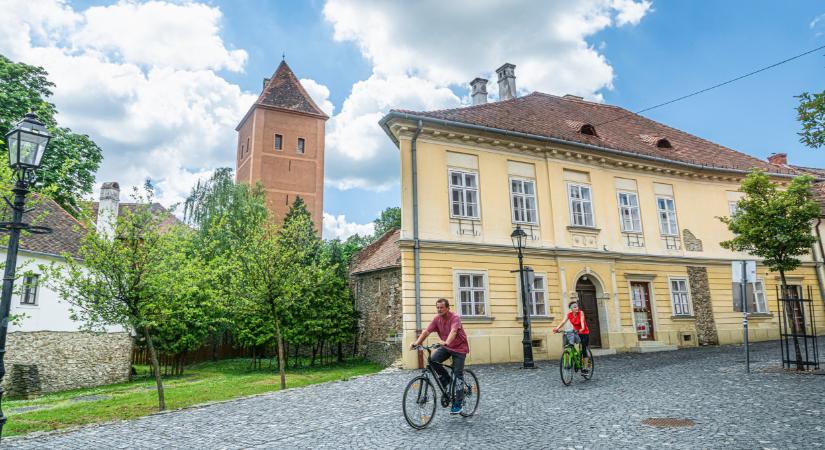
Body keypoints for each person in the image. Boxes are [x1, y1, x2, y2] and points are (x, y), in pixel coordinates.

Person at [410, 298, 470, 414]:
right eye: (437, 307)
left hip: (459, 348)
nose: (439, 309)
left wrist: (446, 342)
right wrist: (417, 343)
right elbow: (426, 332)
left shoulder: (455, 318)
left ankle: (458, 403)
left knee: (458, 374)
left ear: (447, 308)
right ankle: (447, 380)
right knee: (432, 360)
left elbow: (453, 331)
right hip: (447, 346)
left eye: (442, 307)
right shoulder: (437, 319)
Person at [553, 300, 591, 373]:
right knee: (570, 344)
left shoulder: (581, 313)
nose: (577, 308)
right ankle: (573, 359)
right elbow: (563, 322)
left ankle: (586, 367)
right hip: (576, 333)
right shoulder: (569, 315)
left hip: (584, 332)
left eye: (577, 306)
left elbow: (582, 321)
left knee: (583, 349)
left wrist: (582, 328)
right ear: (571, 308)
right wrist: (557, 328)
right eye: (574, 307)